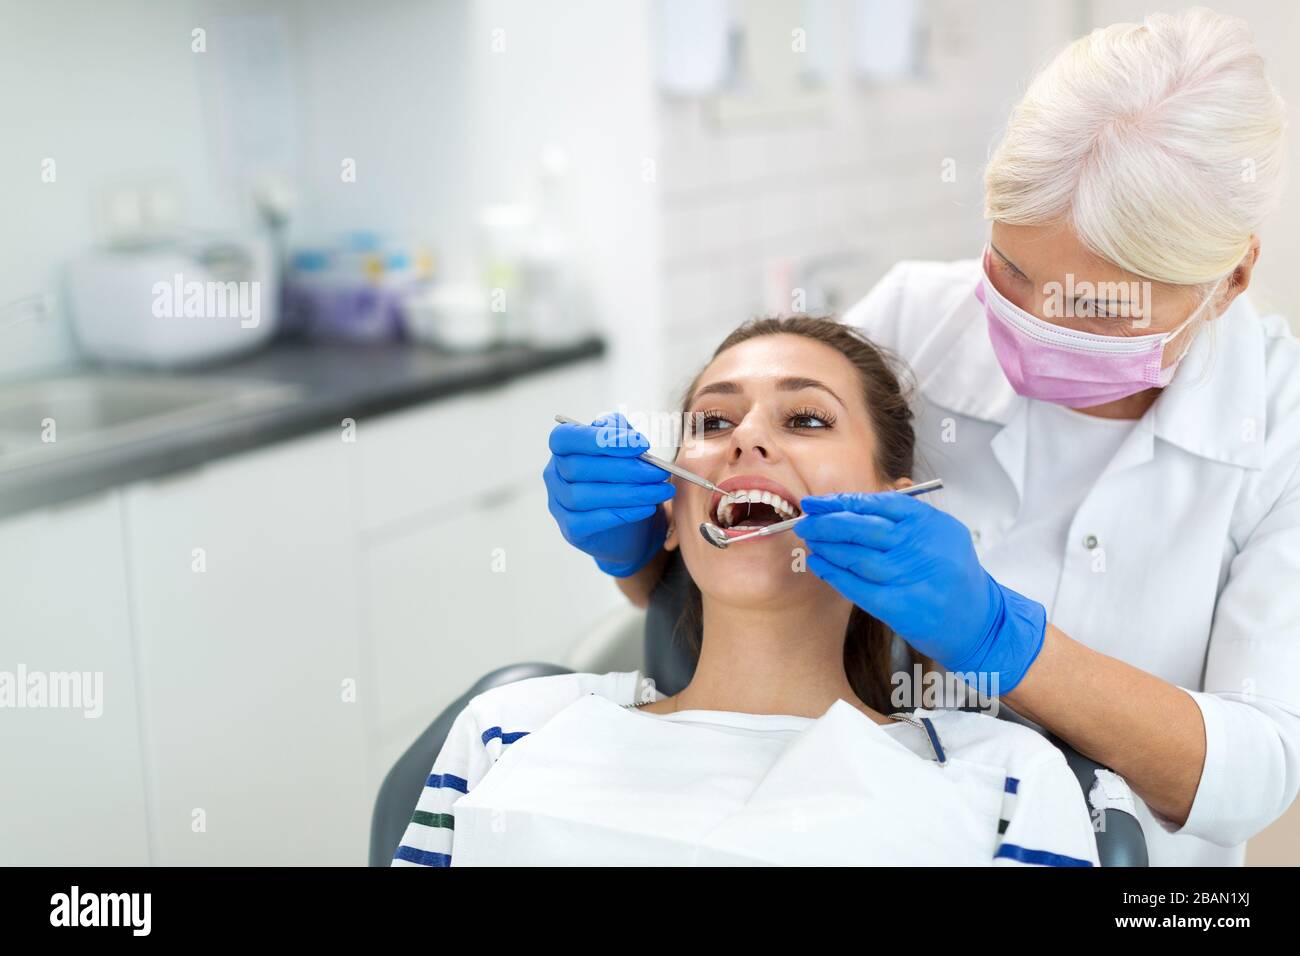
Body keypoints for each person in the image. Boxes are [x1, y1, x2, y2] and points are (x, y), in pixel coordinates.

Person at [542, 9, 1300, 866]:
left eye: (1093, 308)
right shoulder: (915, 318)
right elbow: (743, 564)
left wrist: (1005, 642)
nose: (1038, 323)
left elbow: (1256, 772)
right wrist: (644, 547)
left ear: (1231, 276)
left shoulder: (1281, 428)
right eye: (1013, 272)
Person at [393, 318, 1100, 866]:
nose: (748, 440)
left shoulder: (1007, 781)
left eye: (807, 419)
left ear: (899, 510)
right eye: (712, 422)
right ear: (667, 515)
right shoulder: (511, 729)